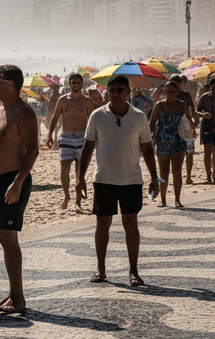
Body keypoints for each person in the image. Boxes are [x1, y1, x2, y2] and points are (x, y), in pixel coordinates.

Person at [76, 76, 159, 286]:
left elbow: (147, 149)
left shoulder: (139, 117)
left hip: (131, 180)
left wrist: (153, 178)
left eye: (120, 90)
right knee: (102, 224)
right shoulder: (97, 116)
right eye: (111, 90)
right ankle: (100, 269)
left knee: (131, 224)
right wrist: (80, 177)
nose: (115, 94)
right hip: (104, 180)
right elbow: (88, 146)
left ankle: (133, 271)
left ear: (128, 92)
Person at [0, 65, 39, 314]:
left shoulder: (24, 112)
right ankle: (13, 292)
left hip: (13, 180)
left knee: (9, 237)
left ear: (10, 84)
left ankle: (18, 298)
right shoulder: (1, 109)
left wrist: (18, 182)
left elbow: (33, 150)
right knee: (4, 237)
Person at [45, 73, 94, 210]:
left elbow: (93, 120)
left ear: (82, 84)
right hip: (66, 136)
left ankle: (78, 200)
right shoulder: (63, 100)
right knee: (64, 168)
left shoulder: (86, 101)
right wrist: (49, 135)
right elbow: (55, 117)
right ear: (69, 84)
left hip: (82, 137)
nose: (76, 85)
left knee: (80, 170)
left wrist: (94, 138)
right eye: (73, 83)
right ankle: (66, 195)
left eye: (78, 83)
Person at [148, 81, 195, 208]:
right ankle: (163, 199)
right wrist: (146, 140)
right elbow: (151, 124)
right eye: (168, 92)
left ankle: (177, 199)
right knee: (163, 171)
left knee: (177, 170)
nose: (170, 94)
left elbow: (188, 121)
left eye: (173, 92)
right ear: (164, 92)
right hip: (162, 142)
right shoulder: (159, 105)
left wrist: (192, 131)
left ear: (177, 92)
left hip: (179, 141)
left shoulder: (182, 105)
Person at [170, 75, 198, 185]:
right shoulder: (170, 95)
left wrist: (194, 122)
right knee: (178, 154)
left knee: (187, 153)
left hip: (185, 127)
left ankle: (188, 177)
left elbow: (193, 109)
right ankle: (181, 176)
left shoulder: (184, 94)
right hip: (177, 127)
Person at [196, 74, 215, 184]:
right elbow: (197, 110)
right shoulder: (205, 97)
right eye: (212, 88)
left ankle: (214, 175)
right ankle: (208, 176)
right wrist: (204, 114)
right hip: (206, 127)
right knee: (207, 152)